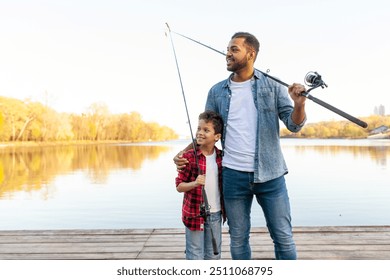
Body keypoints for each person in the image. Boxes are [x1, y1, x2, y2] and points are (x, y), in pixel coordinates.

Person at [174, 32, 307, 260]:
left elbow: (294, 126)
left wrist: (299, 104)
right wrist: (184, 152)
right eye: (227, 48)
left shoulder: (273, 86)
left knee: (283, 237)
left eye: (234, 49)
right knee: (238, 238)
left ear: (251, 54)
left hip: (271, 176)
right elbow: (206, 132)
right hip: (233, 176)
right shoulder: (216, 91)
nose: (228, 53)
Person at [175, 110, 226, 260]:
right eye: (198, 129)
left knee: (213, 255)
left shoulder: (222, 157)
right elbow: (179, 186)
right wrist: (195, 183)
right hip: (194, 213)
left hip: (215, 214)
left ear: (217, 137)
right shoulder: (188, 157)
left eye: (206, 130)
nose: (200, 133)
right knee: (195, 254)